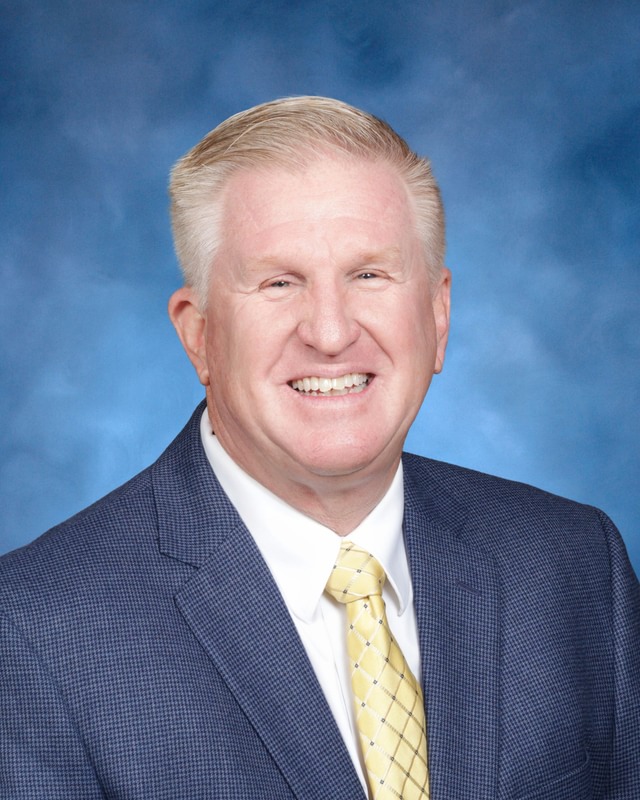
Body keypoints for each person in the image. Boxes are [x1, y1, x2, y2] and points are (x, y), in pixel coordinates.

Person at [1, 96, 638, 800]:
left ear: (438, 313)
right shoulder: (34, 633)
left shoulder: (574, 565)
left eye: (369, 274)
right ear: (198, 333)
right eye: (279, 282)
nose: (331, 333)